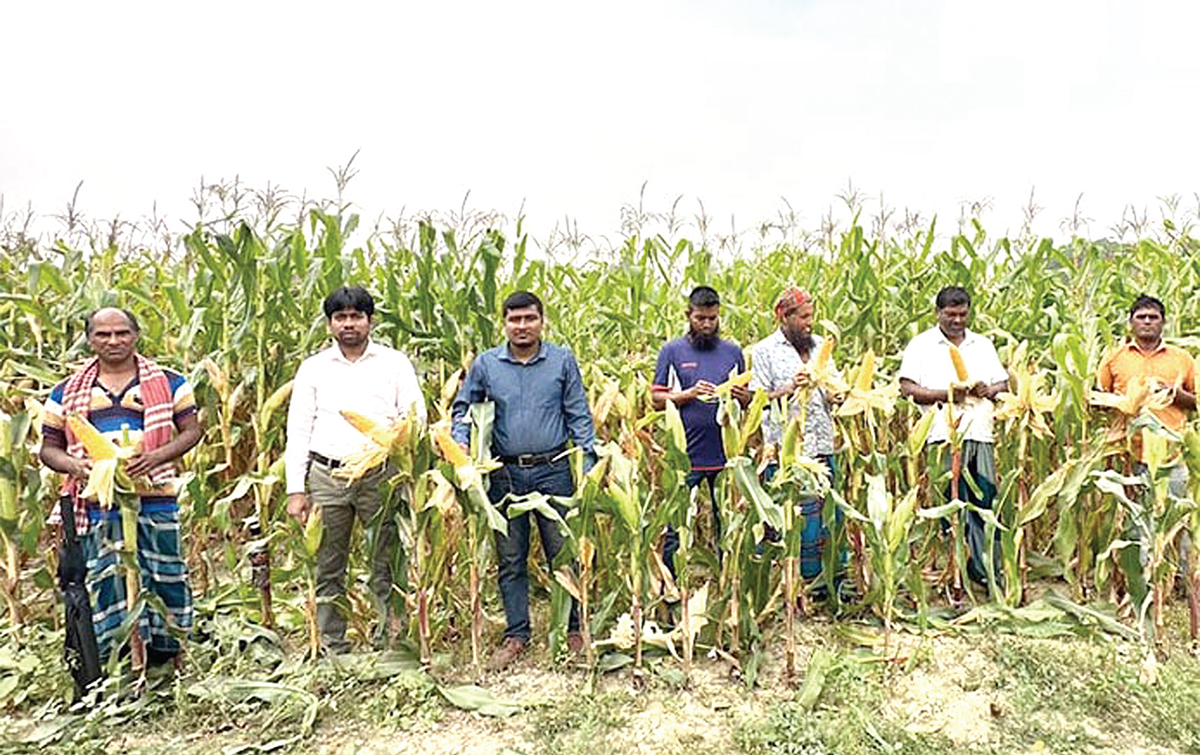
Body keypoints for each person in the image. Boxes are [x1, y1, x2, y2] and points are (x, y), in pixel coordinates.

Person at [40, 307, 202, 668]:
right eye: (103, 335)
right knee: (108, 577)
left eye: (121, 333)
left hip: (156, 497)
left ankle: (170, 654)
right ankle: (123, 658)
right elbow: (49, 449)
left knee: (166, 573)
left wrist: (157, 456)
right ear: (89, 339)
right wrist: (77, 465)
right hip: (99, 502)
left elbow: (192, 431)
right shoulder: (66, 392)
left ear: (136, 334)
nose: (113, 341)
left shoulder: (170, 382)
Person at [451, 291, 596, 670]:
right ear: (504, 323)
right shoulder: (486, 365)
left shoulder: (562, 361)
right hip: (504, 473)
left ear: (541, 320)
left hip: (554, 470)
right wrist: (462, 446)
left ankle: (574, 628)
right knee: (510, 557)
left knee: (562, 553)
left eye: (529, 319)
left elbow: (578, 414)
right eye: (514, 320)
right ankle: (517, 633)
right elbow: (464, 408)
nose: (522, 326)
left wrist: (590, 463)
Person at [285, 286, 426, 655]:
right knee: (329, 563)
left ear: (370, 320)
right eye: (340, 317)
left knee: (387, 559)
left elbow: (415, 416)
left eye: (356, 316)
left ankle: (391, 640)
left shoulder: (394, 363)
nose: (349, 324)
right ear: (330, 324)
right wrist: (295, 489)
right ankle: (332, 644)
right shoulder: (313, 368)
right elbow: (298, 430)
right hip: (327, 475)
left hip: (379, 474)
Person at [898, 286, 1009, 587]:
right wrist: (947, 395)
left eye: (962, 314)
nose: (957, 320)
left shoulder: (982, 345)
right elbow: (907, 388)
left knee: (984, 502)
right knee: (948, 505)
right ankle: (953, 571)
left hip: (980, 433)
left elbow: (1003, 383)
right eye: (950, 314)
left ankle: (986, 572)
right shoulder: (921, 346)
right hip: (942, 436)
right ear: (938, 313)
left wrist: (989, 390)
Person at [1097, 295, 1196, 582]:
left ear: (1164, 322)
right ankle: (1141, 578)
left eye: (1153, 317)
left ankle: (1181, 578)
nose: (1147, 322)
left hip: (1173, 453)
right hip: (1130, 453)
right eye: (1141, 317)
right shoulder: (1115, 358)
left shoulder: (1182, 359)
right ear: (1131, 322)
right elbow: (1097, 398)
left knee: (1177, 516)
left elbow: (1197, 402)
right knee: (1136, 519)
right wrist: (1125, 403)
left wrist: (1173, 393)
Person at [651, 286, 748, 576]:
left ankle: (728, 582)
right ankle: (671, 585)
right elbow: (657, 400)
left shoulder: (732, 352)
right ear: (688, 316)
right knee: (676, 523)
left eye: (712, 319)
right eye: (700, 318)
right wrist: (690, 394)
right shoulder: (673, 352)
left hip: (725, 455)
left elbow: (746, 397)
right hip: (686, 456)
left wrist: (737, 395)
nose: (707, 325)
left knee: (728, 522)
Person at [749, 287, 840, 580]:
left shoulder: (818, 347)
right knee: (795, 521)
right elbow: (756, 400)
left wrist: (835, 396)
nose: (809, 323)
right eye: (803, 317)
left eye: (811, 316)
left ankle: (828, 582)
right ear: (784, 318)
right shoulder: (764, 351)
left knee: (828, 518)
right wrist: (791, 388)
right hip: (787, 452)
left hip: (822, 446)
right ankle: (794, 584)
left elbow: (832, 389)